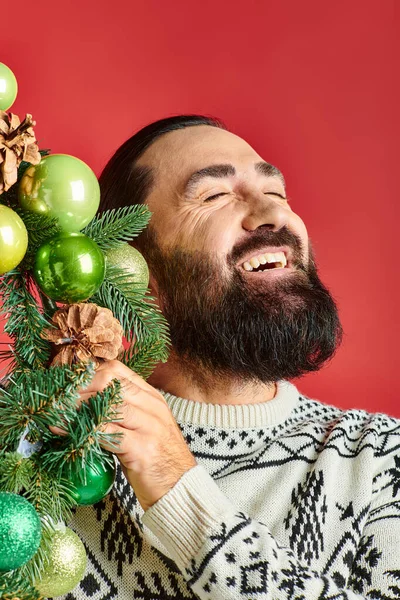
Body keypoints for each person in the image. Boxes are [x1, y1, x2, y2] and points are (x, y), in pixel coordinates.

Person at [64, 115, 400, 600]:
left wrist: (176, 487)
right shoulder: (50, 459)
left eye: (278, 192)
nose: (272, 214)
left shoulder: (380, 460)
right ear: (134, 270)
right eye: (214, 195)